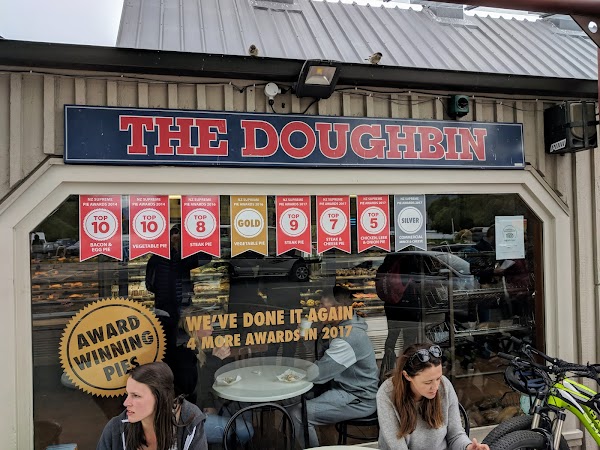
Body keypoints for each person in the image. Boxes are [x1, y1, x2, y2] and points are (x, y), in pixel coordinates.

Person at [290, 288, 379, 448]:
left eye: (322, 306)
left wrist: (294, 372)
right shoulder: (340, 325)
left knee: (298, 414)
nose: (317, 310)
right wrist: (312, 334)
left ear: (338, 309)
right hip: (340, 386)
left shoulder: (349, 337)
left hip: (357, 397)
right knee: (293, 399)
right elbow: (321, 358)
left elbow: (319, 374)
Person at [377, 343, 489, 450]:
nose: (435, 387)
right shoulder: (387, 394)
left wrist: (468, 447)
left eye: (438, 378)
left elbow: (455, 435)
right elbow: (397, 447)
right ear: (407, 376)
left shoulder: (444, 386)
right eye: (428, 382)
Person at [177, 308, 254, 446]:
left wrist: (209, 404)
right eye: (208, 324)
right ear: (194, 326)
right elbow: (197, 386)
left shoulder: (200, 346)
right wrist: (215, 359)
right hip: (191, 419)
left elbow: (207, 383)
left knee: (242, 407)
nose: (212, 328)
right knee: (245, 430)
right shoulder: (185, 352)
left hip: (202, 406)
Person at [97, 361, 207, 450]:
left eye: (136, 395)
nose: (126, 403)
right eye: (128, 394)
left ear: (159, 398)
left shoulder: (189, 421)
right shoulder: (115, 429)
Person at [145, 224, 211, 369]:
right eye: (175, 233)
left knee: (170, 342)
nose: (176, 237)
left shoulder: (157, 259)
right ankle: (179, 369)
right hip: (178, 307)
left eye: (179, 234)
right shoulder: (181, 257)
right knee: (181, 342)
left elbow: (149, 285)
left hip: (166, 308)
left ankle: (173, 369)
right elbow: (206, 257)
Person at [376, 254, 422, 380]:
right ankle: (405, 369)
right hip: (409, 305)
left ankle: (388, 369)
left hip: (391, 306)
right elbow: (419, 280)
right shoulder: (409, 261)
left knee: (392, 337)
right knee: (409, 340)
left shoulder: (386, 264)